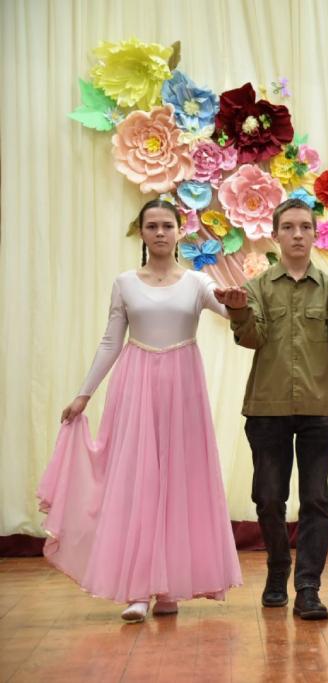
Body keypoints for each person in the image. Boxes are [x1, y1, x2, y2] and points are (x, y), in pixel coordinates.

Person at [37, 198, 242, 623]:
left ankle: (168, 589)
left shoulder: (197, 282)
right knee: (137, 482)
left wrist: (237, 302)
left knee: (178, 482)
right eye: (152, 226)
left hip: (183, 387)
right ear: (142, 232)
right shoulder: (125, 283)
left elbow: (232, 311)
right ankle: (136, 590)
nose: (161, 233)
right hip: (135, 385)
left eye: (167, 225)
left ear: (180, 231)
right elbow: (110, 341)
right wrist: (83, 394)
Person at [220, 198, 328, 620]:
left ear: (314, 234)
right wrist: (238, 311)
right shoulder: (256, 288)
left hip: (318, 407)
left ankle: (309, 587)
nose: (297, 234)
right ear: (275, 235)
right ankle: (277, 570)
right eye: (288, 227)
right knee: (269, 498)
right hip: (266, 406)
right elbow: (251, 338)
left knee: (316, 499)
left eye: (305, 227)